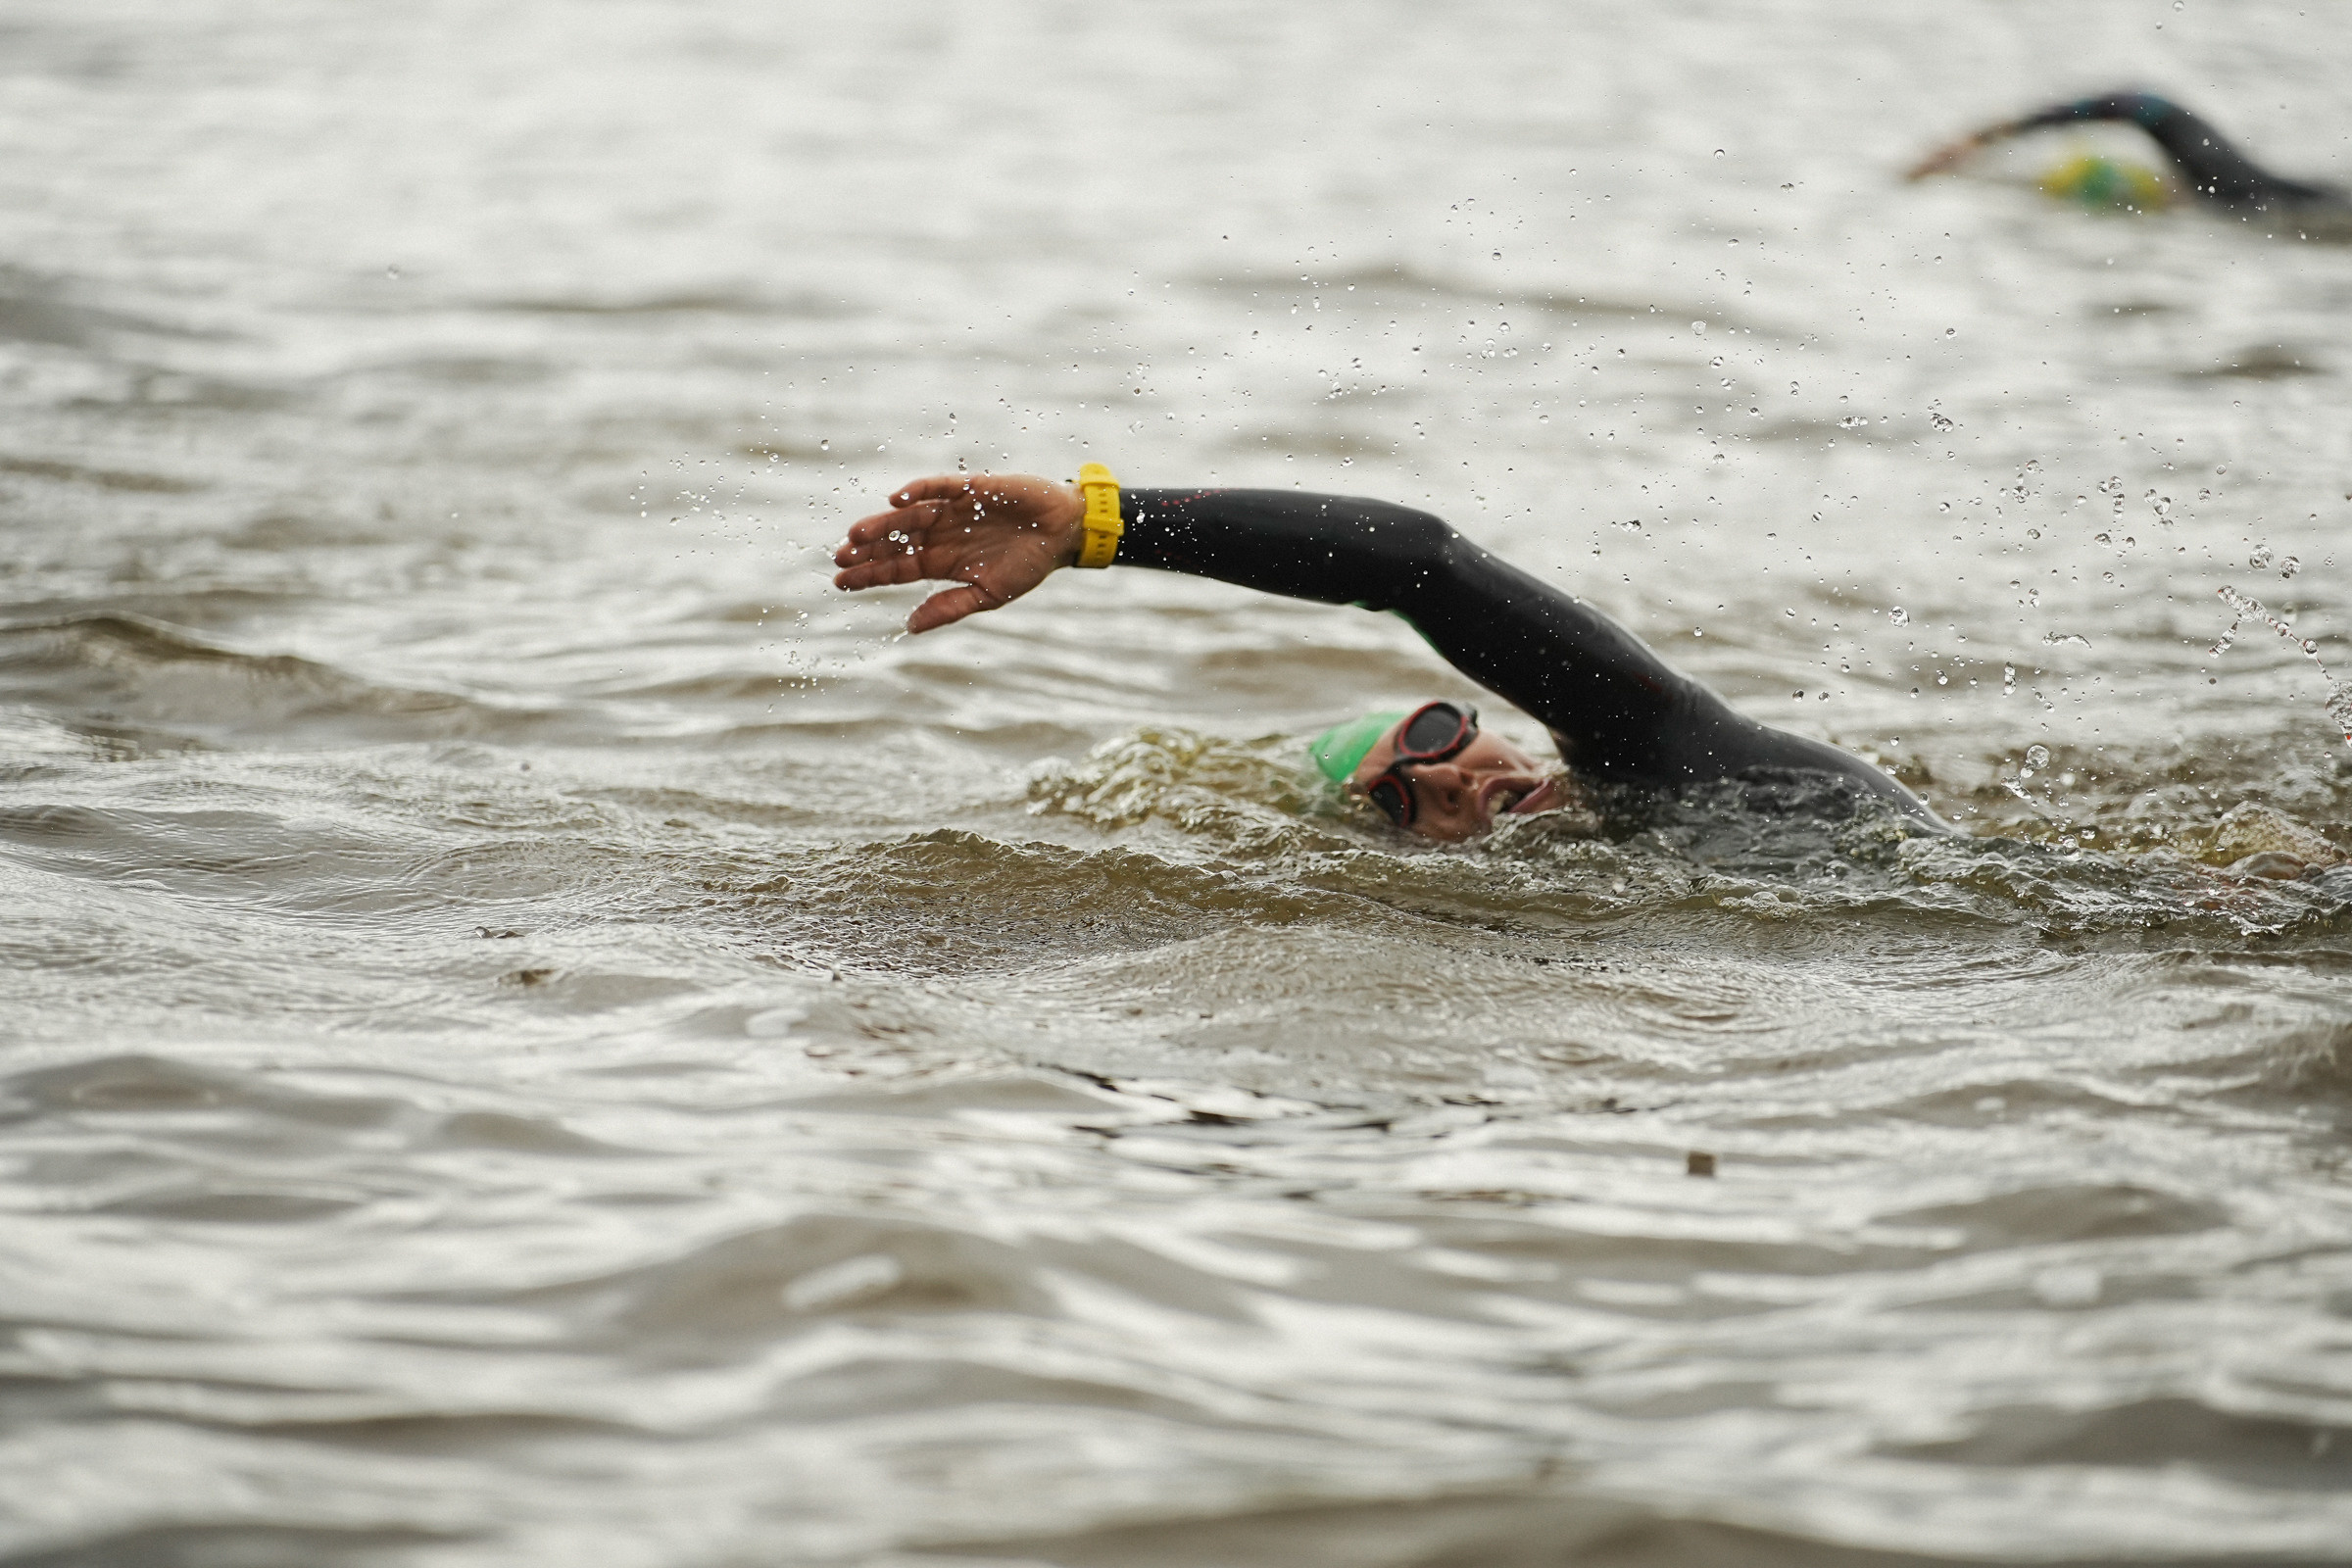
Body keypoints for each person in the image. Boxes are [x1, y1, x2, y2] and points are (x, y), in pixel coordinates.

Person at [832, 470, 1944, 842]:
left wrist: (1102, 524)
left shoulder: (1668, 758)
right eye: (1401, 799)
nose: (1451, 775)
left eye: (1434, 734)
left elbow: (1421, 564)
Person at [1907, 90, 2349, 220]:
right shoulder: (2170, 121)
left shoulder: (2152, 109)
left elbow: (2079, 110)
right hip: (2235, 190)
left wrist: (1983, 137)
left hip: (2247, 194)